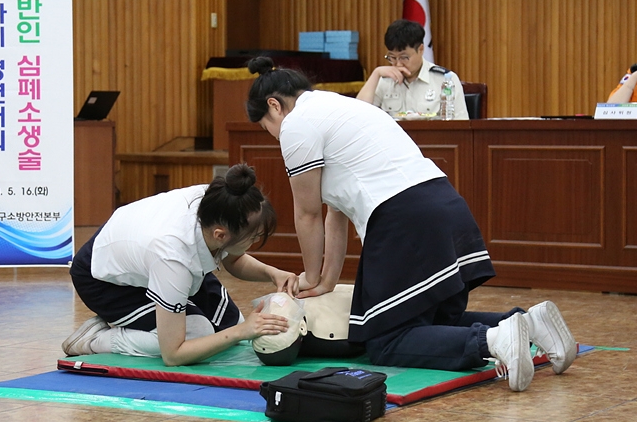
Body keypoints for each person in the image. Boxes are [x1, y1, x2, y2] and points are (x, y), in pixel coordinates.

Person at [246, 56, 576, 391]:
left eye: (265, 127)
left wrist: (310, 278)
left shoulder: (295, 124)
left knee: (385, 340)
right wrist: (325, 281)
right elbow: (336, 214)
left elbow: (307, 213)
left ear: (274, 106)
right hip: (444, 203)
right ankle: (528, 324)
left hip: (402, 217)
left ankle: (492, 341)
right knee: (430, 320)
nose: (272, 135)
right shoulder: (341, 106)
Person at [62, 163, 297, 366]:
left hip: (143, 257)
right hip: (102, 279)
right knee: (198, 334)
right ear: (220, 235)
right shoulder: (173, 258)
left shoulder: (220, 202)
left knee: (227, 324)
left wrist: (272, 273)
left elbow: (232, 258)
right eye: (253, 238)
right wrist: (240, 332)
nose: (256, 243)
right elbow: (173, 355)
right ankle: (100, 338)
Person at [356, 19, 470, 119]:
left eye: (404, 57)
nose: (398, 64)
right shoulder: (385, 80)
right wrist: (376, 74)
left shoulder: (445, 80)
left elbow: (461, 125)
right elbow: (358, 115)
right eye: (392, 57)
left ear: (420, 49)